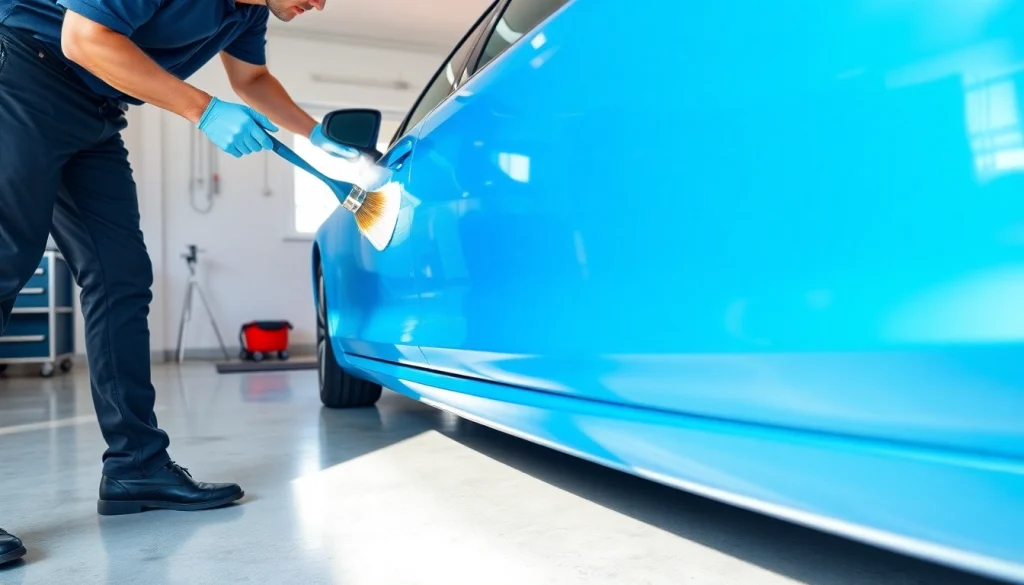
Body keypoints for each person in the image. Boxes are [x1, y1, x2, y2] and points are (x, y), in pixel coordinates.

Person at [0, 0, 359, 565]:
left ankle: (135, 468)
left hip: (96, 103)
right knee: (4, 266)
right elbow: (84, 37)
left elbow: (253, 78)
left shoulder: (248, 13)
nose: (321, 2)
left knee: (121, 280)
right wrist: (203, 110)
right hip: (22, 71)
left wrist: (318, 137)